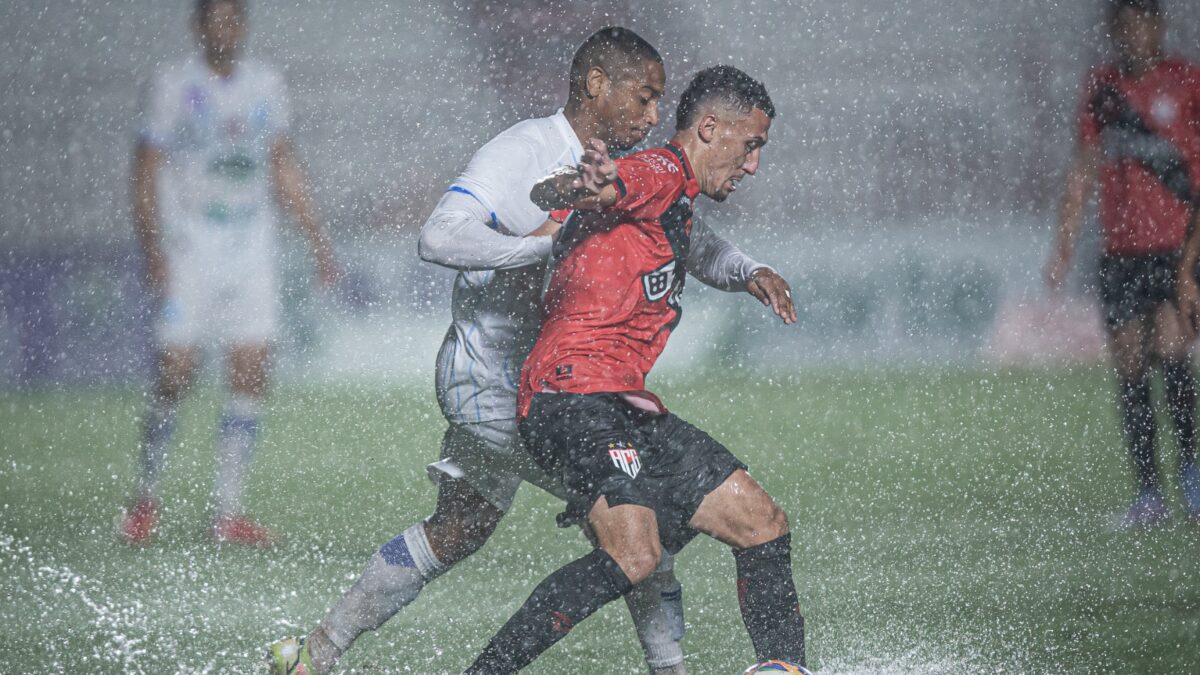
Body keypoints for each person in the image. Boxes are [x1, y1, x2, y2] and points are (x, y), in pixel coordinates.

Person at [270, 28, 784, 675]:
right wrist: (544, 247)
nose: (655, 115)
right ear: (597, 84)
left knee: (459, 529)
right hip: (496, 375)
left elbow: (686, 236)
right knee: (637, 521)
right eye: (644, 97)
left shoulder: (626, 170)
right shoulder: (527, 149)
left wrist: (746, 269)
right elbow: (439, 236)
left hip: (537, 380)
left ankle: (313, 651)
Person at [462, 64, 803, 674]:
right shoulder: (662, 171)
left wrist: (751, 271)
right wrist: (589, 184)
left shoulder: (677, 200)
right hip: (571, 396)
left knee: (762, 523)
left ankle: (784, 669)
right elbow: (620, 183)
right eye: (750, 145)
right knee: (634, 555)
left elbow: (693, 241)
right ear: (709, 129)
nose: (752, 165)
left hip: (620, 402)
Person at [118, 0, 339, 547]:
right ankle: (145, 499)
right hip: (189, 243)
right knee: (177, 370)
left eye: (232, 19)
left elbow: (281, 162)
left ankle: (226, 513)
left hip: (251, 245)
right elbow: (145, 168)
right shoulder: (173, 85)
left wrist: (317, 238)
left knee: (251, 368)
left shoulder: (265, 83)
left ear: (242, 25)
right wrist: (152, 246)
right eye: (214, 20)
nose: (224, 29)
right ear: (198, 27)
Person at [1046, 0, 1200, 527]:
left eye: (1143, 24)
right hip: (1120, 253)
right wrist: (1063, 245)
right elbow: (1083, 167)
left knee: (1174, 353)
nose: (1135, 35)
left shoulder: (1187, 82)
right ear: (1115, 31)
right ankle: (1149, 495)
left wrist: (1192, 261)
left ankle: (1192, 480)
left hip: (1176, 249)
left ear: (1158, 27)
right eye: (1125, 26)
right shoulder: (1103, 88)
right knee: (1131, 366)